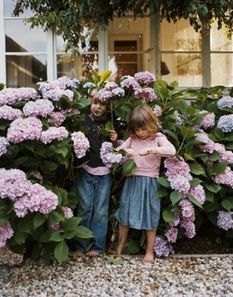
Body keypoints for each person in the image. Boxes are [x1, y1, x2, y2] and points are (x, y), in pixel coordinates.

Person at [115, 104, 176, 263]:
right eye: (136, 129)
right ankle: (120, 246)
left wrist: (151, 150)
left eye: (143, 129)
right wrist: (124, 151)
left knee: (151, 214)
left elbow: (172, 151)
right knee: (124, 213)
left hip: (150, 182)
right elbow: (117, 151)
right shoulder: (132, 139)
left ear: (152, 124)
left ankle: (149, 251)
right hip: (132, 180)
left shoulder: (157, 138)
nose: (139, 133)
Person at [74, 90, 118, 257]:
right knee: (84, 207)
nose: (98, 107)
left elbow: (116, 150)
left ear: (107, 107)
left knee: (101, 209)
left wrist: (115, 140)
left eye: (102, 104)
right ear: (89, 104)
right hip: (86, 169)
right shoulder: (83, 122)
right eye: (95, 103)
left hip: (105, 171)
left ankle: (98, 246)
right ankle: (80, 245)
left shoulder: (111, 124)